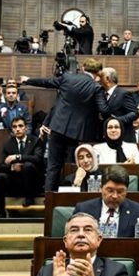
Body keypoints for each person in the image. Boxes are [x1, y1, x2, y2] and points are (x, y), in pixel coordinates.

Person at [21, 58, 108, 192]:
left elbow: (47, 82)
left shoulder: (67, 78)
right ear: (98, 73)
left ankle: (49, 199)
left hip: (58, 128)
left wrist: (28, 80)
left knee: (53, 166)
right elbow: (104, 110)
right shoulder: (96, 87)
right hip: (78, 133)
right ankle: (70, 196)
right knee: (73, 165)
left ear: (83, 68)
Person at [73, 166, 139, 237]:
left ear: (126, 191)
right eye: (110, 191)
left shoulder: (138, 212)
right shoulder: (83, 209)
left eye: (120, 192)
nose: (115, 196)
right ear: (101, 188)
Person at [0, 117, 45, 217]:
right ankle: (0, 211)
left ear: (26, 128)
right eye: (15, 127)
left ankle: (29, 198)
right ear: (12, 129)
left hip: (33, 181)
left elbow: (38, 159)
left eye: (20, 126)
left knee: (28, 166)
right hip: (15, 181)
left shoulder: (35, 141)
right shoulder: (8, 144)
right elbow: (0, 166)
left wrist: (18, 157)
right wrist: (12, 167)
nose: (18, 129)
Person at [100, 67, 138, 142]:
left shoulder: (123, 93)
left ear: (107, 79)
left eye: (101, 77)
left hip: (124, 137)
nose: (99, 79)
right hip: (108, 138)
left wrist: (116, 120)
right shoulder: (102, 94)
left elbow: (134, 113)